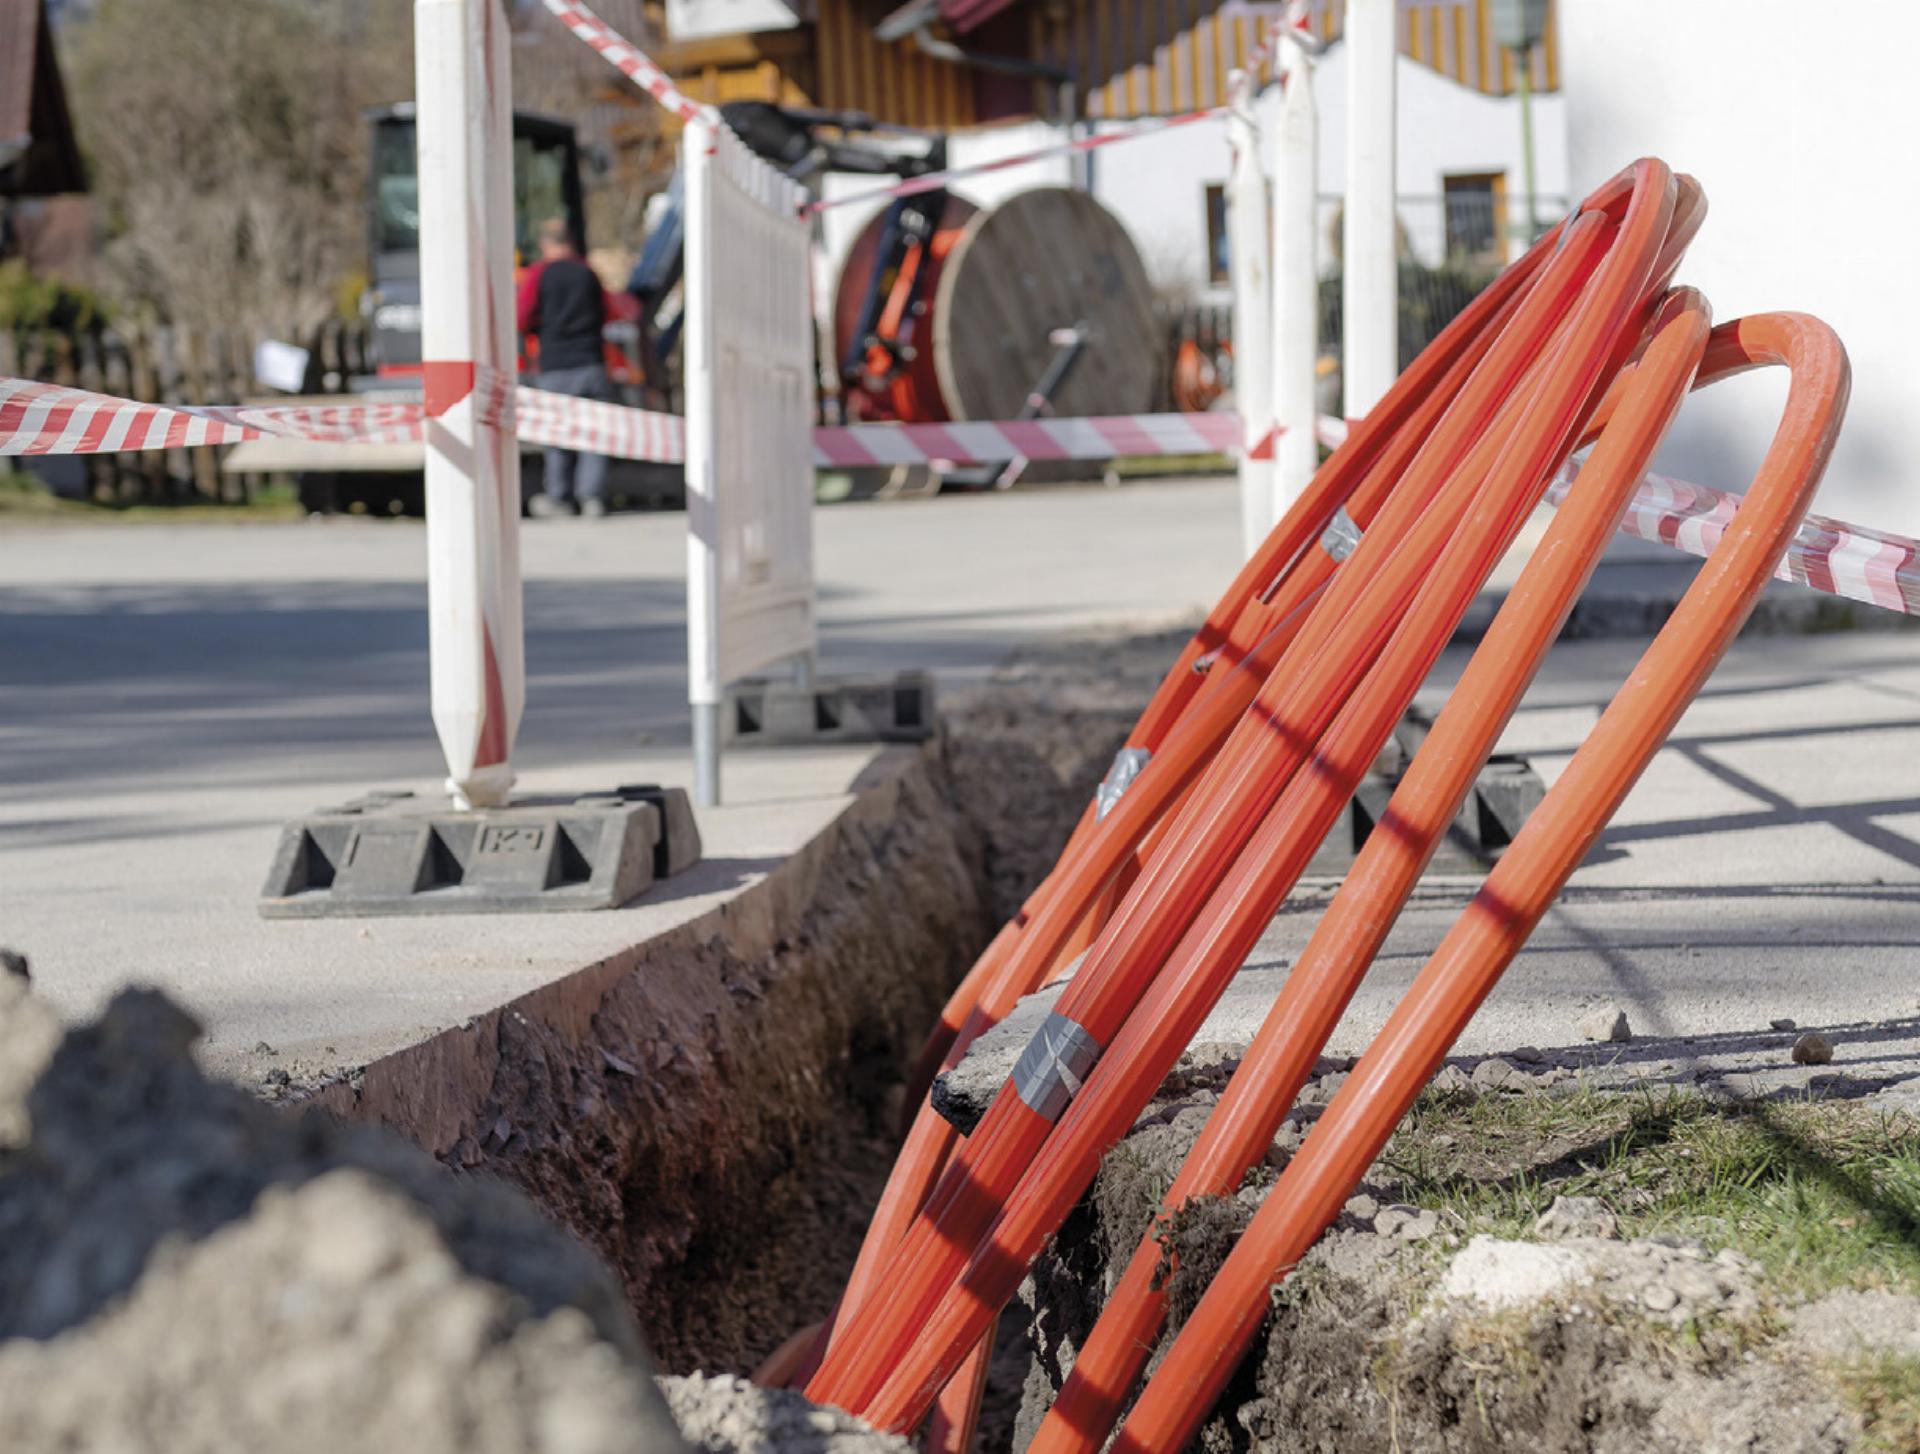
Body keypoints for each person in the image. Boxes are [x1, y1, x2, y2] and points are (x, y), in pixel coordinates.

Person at [517, 218, 612, 517]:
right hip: (591, 363)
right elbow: (608, 312)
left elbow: (521, 317)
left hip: (555, 366)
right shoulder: (588, 273)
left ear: (546, 244)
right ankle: (592, 498)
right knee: (594, 434)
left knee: (558, 435)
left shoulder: (538, 275)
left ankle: (560, 498)